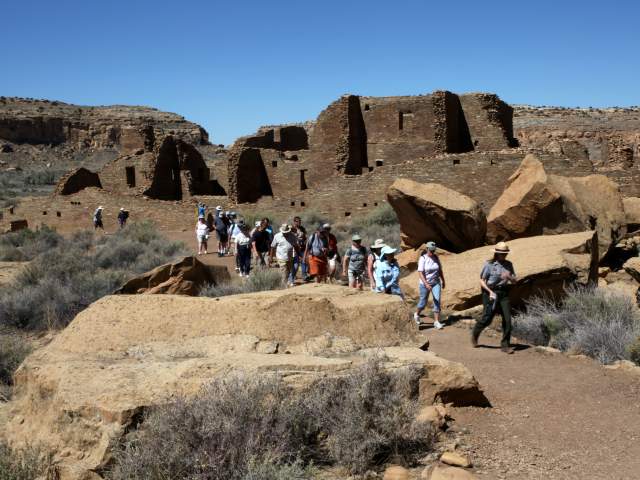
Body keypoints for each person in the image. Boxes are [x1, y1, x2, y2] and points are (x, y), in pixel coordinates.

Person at [473, 241, 517, 354]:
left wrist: (509, 277)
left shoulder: (509, 264)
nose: (504, 255)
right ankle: (475, 334)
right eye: (502, 253)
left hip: (504, 293)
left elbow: (514, 280)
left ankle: (505, 345)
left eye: (505, 253)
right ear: (496, 253)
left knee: (507, 320)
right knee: (487, 318)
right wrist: (490, 292)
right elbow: (482, 280)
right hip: (490, 293)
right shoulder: (489, 264)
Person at [414, 241, 445, 329]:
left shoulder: (436, 257)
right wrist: (426, 284)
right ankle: (417, 314)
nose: (432, 252)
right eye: (431, 250)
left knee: (437, 300)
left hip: (436, 283)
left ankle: (436, 321)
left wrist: (443, 280)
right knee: (423, 302)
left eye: (433, 250)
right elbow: (420, 273)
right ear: (427, 249)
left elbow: (440, 270)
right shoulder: (423, 258)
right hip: (424, 283)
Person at [291, 216, 308, 284]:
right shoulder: (291, 229)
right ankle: (292, 276)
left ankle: (304, 275)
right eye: (297, 221)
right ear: (294, 222)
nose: (299, 223)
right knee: (295, 264)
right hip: (294, 248)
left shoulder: (302, 229)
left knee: (304, 261)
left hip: (302, 247)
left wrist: (305, 243)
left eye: (300, 221)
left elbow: (305, 237)